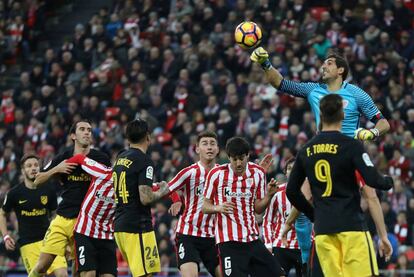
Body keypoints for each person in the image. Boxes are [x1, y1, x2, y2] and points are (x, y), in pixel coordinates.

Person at [251, 49, 393, 272]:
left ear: (340, 70)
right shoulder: (313, 90)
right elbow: (280, 83)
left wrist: (372, 133)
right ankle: (304, 254)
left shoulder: (356, 94)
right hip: (322, 151)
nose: (323, 66)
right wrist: (265, 64)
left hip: (349, 155)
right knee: (302, 195)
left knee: (370, 194)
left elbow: (384, 122)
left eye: (328, 63)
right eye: (323, 63)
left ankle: (382, 237)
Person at [285, 94, 394, 277]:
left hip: (323, 230)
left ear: (321, 114)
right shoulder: (351, 146)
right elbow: (374, 180)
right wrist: (388, 181)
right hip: (352, 227)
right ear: (343, 115)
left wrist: (314, 214)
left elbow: (292, 191)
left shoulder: (307, 150)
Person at [29, 120, 111, 277]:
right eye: (82, 129)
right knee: (42, 265)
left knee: (79, 270)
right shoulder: (64, 156)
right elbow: (37, 180)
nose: (87, 132)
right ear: (73, 135)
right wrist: (57, 169)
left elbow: (108, 185)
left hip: (85, 222)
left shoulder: (101, 158)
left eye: (89, 130)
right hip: (62, 217)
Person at [202, 136, 284, 277]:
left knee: (279, 274)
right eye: (234, 159)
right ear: (228, 157)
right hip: (229, 242)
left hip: (252, 239)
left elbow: (258, 208)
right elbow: (204, 206)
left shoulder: (258, 173)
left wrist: (269, 195)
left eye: (241, 158)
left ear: (248, 155)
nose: (238, 163)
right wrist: (218, 208)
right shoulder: (216, 175)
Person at [112, 119, 169, 277]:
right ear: (148, 137)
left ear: (128, 138)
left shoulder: (120, 157)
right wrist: (163, 191)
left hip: (120, 225)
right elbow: (145, 197)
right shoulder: (145, 161)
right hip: (137, 226)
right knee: (146, 274)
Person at [0, 154, 67, 277]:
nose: (33, 168)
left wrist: (58, 234)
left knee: (62, 274)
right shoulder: (14, 193)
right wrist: (5, 236)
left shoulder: (48, 189)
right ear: (23, 170)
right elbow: (2, 214)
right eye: (29, 166)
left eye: (36, 165)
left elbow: (55, 214)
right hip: (28, 244)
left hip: (49, 241)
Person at [166, 131, 222, 277]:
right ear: (197, 149)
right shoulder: (189, 172)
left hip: (213, 237)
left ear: (217, 149)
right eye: (205, 144)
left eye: (212, 144)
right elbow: (167, 188)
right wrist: (177, 201)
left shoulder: (224, 174)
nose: (209, 147)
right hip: (188, 234)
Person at [64, 153, 117, 277]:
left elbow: (153, 188)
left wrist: (173, 196)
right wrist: (61, 171)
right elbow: (79, 158)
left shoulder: (130, 185)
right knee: (89, 274)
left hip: (106, 235)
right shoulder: (101, 171)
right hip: (85, 231)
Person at [262, 157, 302, 276]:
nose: (293, 171)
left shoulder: (310, 191)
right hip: (280, 246)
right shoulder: (277, 192)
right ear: (285, 172)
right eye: (289, 168)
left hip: (303, 245)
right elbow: (267, 220)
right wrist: (269, 244)